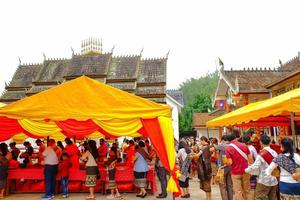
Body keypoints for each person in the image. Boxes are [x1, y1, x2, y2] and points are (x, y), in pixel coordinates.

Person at [245, 134, 278, 200]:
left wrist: (246, 170)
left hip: (264, 180)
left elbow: (255, 166)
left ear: (261, 142)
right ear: (269, 142)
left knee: (259, 197)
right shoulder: (274, 152)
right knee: (273, 198)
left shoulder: (261, 154)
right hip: (274, 179)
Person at [226, 131, 253, 200]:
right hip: (246, 171)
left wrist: (226, 163)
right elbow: (250, 159)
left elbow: (230, 162)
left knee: (238, 191)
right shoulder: (244, 145)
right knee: (248, 190)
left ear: (228, 140)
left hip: (235, 172)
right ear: (235, 137)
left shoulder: (228, 148)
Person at [214, 135, 233, 200]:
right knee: (229, 185)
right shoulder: (231, 145)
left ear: (222, 140)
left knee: (222, 186)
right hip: (230, 167)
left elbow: (213, 147)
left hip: (222, 167)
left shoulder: (222, 145)